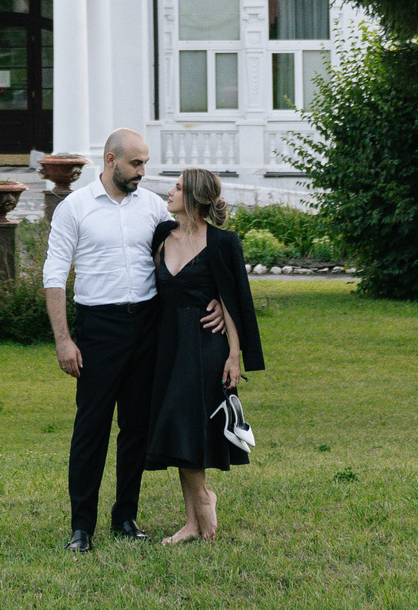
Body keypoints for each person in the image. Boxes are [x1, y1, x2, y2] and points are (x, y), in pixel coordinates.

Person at [43, 129, 222, 553]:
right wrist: (64, 340)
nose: (144, 171)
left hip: (147, 327)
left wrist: (215, 299)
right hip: (98, 329)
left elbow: (190, 248)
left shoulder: (153, 208)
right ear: (110, 160)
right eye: (136, 164)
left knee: (136, 429)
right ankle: (81, 527)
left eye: (144, 163)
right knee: (91, 428)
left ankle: (125, 517)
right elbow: (54, 275)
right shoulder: (76, 208)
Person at [141, 167, 265, 543]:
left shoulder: (223, 242)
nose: (170, 192)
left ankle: (204, 503)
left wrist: (234, 355)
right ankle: (194, 519)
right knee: (180, 429)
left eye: (178, 187)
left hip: (205, 344)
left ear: (193, 197)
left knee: (185, 421)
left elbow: (232, 298)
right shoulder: (163, 235)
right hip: (167, 344)